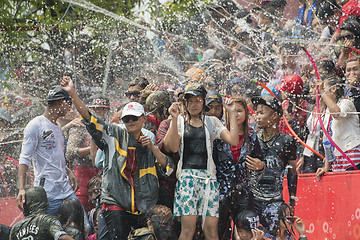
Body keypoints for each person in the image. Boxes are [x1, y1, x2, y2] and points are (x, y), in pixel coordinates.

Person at [61, 76, 174, 240]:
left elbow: (169, 169)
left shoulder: (149, 139)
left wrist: (153, 148)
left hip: (143, 204)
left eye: (134, 118)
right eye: (127, 118)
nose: (130, 121)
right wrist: (72, 93)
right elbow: (89, 118)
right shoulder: (114, 134)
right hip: (115, 201)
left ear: (143, 119)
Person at [164, 83, 240, 240]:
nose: (193, 104)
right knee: (188, 230)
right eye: (189, 101)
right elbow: (171, 147)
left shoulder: (212, 122)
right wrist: (173, 117)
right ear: (184, 103)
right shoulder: (178, 121)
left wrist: (231, 113)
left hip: (208, 179)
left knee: (211, 231)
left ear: (204, 101)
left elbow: (233, 140)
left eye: (197, 100)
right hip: (186, 179)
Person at [17, 85, 80, 216]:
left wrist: (68, 171)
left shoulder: (57, 127)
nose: (70, 107)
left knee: (84, 225)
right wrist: (21, 188)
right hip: (47, 193)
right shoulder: (36, 125)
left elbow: (54, 157)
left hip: (65, 190)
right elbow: (24, 158)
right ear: (59, 102)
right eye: (68, 103)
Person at [213, 97, 265, 239]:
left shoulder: (252, 136)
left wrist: (260, 166)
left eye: (239, 111)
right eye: (232, 111)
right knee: (219, 232)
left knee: (243, 234)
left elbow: (261, 162)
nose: (235, 114)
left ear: (246, 114)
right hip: (221, 193)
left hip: (244, 193)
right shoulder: (219, 134)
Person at [250, 95, 298, 232]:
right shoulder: (253, 140)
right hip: (253, 201)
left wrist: (292, 201)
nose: (257, 116)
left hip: (275, 202)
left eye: (262, 113)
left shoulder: (287, 141)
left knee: (276, 234)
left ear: (274, 117)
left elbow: (292, 172)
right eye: (256, 113)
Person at [66, 95, 108, 211]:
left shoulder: (109, 127)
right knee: (81, 212)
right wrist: (92, 148)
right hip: (83, 175)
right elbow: (69, 152)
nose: (99, 112)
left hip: (103, 176)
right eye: (95, 109)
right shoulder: (80, 126)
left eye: (103, 109)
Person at [316, 74, 360, 173]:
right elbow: (328, 139)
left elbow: (337, 113)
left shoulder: (346, 103)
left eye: (324, 87)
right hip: (337, 158)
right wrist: (326, 167)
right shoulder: (327, 110)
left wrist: (323, 92)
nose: (320, 91)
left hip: (351, 154)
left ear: (334, 88)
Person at [10, 187, 75, 240]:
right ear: (45, 202)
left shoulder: (16, 227)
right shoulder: (48, 221)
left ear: (26, 205)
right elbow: (61, 237)